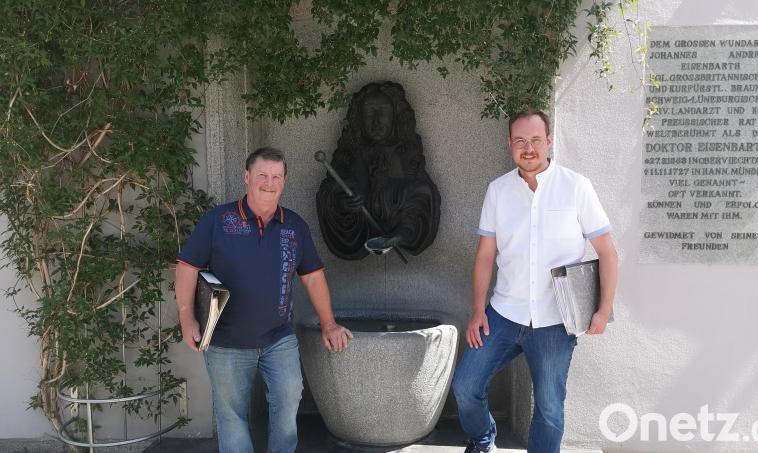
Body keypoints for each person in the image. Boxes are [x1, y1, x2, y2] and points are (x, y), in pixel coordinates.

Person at [451, 111, 618, 453]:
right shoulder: (497, 191)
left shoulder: (576, 187)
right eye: (520, 141)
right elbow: (484, 256)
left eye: (535, 140)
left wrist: (603, 310)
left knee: (550, 410)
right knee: (465, 386)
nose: (528, 148)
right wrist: (476, 311)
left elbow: (608, 252)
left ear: (549, 142)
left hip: (556, 321)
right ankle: (483, 439)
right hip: (503, 313)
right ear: (510, 144)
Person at [174, 147, 352, 453]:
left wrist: (329, 324)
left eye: (276, 176)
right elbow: (187, 268)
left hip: (278, 338)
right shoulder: (218, 220)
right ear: (246, 177)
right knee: (231, 417)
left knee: (288, 399)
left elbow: (312, 277)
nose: (269, 183)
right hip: (225, 341)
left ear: (283, 181)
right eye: (262, 175)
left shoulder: (295, 227)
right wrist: (186, 316)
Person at [316, 82, 440, 259]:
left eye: (383, 113)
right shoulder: (351, 150)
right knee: (335, 191)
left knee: (423, 192)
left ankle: (399, 235)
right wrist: (344, 203)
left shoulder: (406, 149)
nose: (376, 122)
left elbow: (422, 188)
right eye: (369, 113)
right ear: (359, 118)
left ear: (395, 117)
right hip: (361, 219)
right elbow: (331, 186)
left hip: (397, 215)